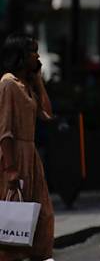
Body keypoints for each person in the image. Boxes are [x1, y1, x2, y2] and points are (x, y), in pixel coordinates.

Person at [0, 34, 54, 261]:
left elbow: (47, 115)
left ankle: (41, 255)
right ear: (21, 56)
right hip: (14, 157)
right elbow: (5, 130)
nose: (38, 56)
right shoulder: (8, 83)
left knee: (43, 214)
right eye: (33, 52)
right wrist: (11, 168)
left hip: (31, 157)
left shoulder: (27, 85)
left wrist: (39, 81)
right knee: (14, 215)